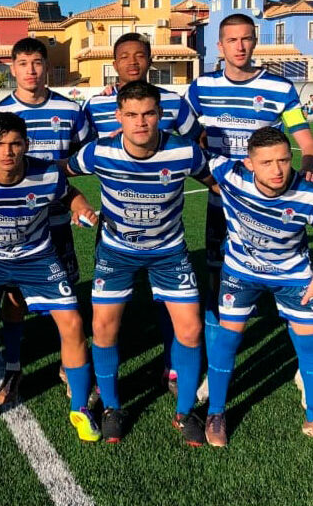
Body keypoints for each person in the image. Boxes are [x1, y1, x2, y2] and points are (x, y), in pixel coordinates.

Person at [0, 112, 100, 445]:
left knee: (72, 324)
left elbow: (69, 193)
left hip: (37, 258)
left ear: (26, 145)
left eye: (15, 144)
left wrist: (81, 207)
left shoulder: (46, 174)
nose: (8, 152)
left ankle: (80, 408)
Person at [65, 81, 215, 445]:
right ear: (118, 117)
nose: (140, 122)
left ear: (160, 116)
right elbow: (57, 175)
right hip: (116, 251)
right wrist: (79, 204)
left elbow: (216, 183)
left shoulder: (185, 152)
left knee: (191, 330)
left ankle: (183, 413)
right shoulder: (98, 152)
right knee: (102, 328)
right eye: (131, 115)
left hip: (169, 250)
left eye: (148, 113)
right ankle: (113, 406)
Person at [186, 13, 313, 401]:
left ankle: (302, 363)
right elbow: (185, 140)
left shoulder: (279, 88)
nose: (240, 46)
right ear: (220, 46)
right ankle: (217, 370)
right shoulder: (201, 88)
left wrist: (305, 176)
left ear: (255, 41)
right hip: (221, 202)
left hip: (273, 208)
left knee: (294, 285)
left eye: (247, 39)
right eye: (232, 40)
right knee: (217, 282)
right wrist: (214, 183)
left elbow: (307, 146)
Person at [204, 127, 313, 454]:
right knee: (228, 339)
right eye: (267, 162)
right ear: (249, 163)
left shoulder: (312, 194)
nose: (278, 170)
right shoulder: (230, 174)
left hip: (294, 276)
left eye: (284, 159)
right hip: (241, 271)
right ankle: (215, 414)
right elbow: (192, 158)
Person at [83, 32, 202, 395]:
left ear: (150, 60)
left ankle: (172, 365)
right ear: (114, 62)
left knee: (172, 305)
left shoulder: (174, 104)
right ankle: (89, 371)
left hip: (164, 225)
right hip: (118, 224)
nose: (132, 62)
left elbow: (196, 143)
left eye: (140, 55)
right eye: (124, 56)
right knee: (105, 314)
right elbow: (80, 152)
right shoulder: (96, 106)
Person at [0, 37, 91, 405]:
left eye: (37, 62)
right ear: (12, 67)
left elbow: (86, 153)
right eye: (22, 62)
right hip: (12, 226)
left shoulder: (71, 110)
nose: (30, 70)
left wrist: (69, 188)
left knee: (67, 297)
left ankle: (66, 364)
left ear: (47, 67)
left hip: (55, 221)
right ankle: (13, 368)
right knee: (13, 299)